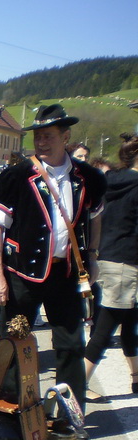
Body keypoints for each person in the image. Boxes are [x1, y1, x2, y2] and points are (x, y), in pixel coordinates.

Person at [0, 104, 106, 408]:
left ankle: (69, 415)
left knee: (70, 345)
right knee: (15, 344)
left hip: (65, 275)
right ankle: (15, 413)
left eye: (48, 135)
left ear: (66, 136)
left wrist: (92, 258)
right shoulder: (15, 176)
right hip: (22, 276)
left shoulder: (88, 177)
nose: (41, 141)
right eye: (38, 136)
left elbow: (95, 217)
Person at [84, 133, 138, 394]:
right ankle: (73, 388)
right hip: (126, 264)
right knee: (104, 330)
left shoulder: (110, 181)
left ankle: (137, 376)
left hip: (107, 257)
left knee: (129, 323)